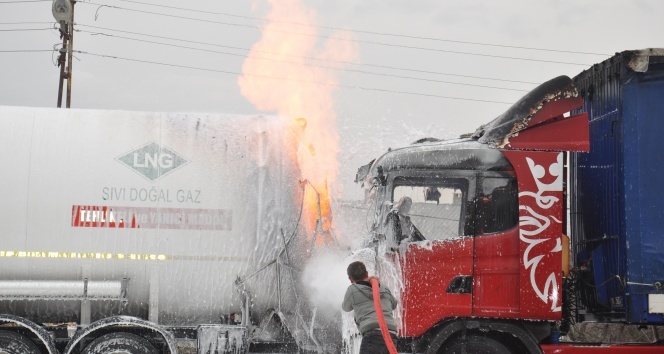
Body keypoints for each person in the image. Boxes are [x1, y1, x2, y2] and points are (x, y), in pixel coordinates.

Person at [342, 261, 398, 354]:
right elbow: (394, 304)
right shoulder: (383, 287)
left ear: (350, 279)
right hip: (390, 334)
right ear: (367, 273)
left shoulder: (352, 289)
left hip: (372, 334)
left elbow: (345, 307)